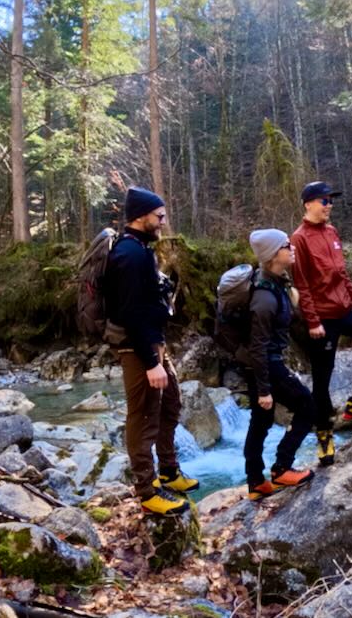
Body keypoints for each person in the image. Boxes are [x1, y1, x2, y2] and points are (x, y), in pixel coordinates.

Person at [104, 187, 199, 516]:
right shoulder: (129, 256)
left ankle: (169, 472)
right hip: (138, 349)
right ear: (140, 216)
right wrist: (150, 362)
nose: (163, 222)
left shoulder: (141, 249)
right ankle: (147, 492)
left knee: (171, 403)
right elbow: (132, 314)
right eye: (158, 216)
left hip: (153, 344)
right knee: (143, 415)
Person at [291, 181, 352, 466]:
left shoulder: (332, 231)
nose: (329, 205)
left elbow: (341, 272)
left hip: (345, 307)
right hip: (322, 317)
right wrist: (312, 320)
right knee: (322, 378)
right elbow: (302, 285)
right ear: (308, 204)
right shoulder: (298, 239)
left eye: (331, 201)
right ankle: (324, 435)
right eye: (324, 201)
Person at [241, 229, 318, 500]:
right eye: (287, 245)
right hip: (266, 365)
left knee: (260, 421)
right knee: (308, 407)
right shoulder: (264, 298)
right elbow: (258, 346)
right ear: (274, 255)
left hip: (260, 366)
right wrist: (264, 390)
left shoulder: (276, 282)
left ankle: (255, 482)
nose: (292, 248)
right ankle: (282, 468)